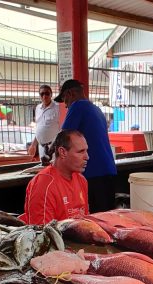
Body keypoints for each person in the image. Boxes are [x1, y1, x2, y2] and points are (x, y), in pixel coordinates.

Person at [55, 79, 117, 212]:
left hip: (93, 173)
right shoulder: (96, 109)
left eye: (65, 99)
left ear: (70, 94)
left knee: (96, 221)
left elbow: (63, 137)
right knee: (108, 217)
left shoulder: (77, 106)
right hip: (109, 170)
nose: (65, 105)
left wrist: (49, 154)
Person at [20, 129, 89, 225]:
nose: (87, 157)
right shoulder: (44, 185)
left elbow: (86, 222)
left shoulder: (81, 180)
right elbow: (41, 233)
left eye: (86, 151)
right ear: (62, 152)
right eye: (80, 152)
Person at [29, 84, 60, 166]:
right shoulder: (38, 108)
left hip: (53, 148)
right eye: (42, 94)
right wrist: (33, 144)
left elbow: (62, 128)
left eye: (47, 93)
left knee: (54, 170)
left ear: (51, 94)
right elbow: (38, 127)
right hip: (41, 148)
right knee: (44, 171)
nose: (44, 96)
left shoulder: (57, 107)